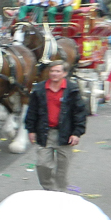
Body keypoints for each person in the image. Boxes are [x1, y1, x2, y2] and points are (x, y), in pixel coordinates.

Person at [25, 60, 86, 192]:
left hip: (65, 134)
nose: (54, 74)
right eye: (52, 71)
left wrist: (77, 133)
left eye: (57, 71)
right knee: (42, 164)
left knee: (62, 167)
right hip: (45, 132)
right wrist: (31, 130)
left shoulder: (72, 89)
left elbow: (80, 112)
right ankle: (49, 188)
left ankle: (60, 191)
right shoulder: (39, 89)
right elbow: (32, 111)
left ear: (64, 73)